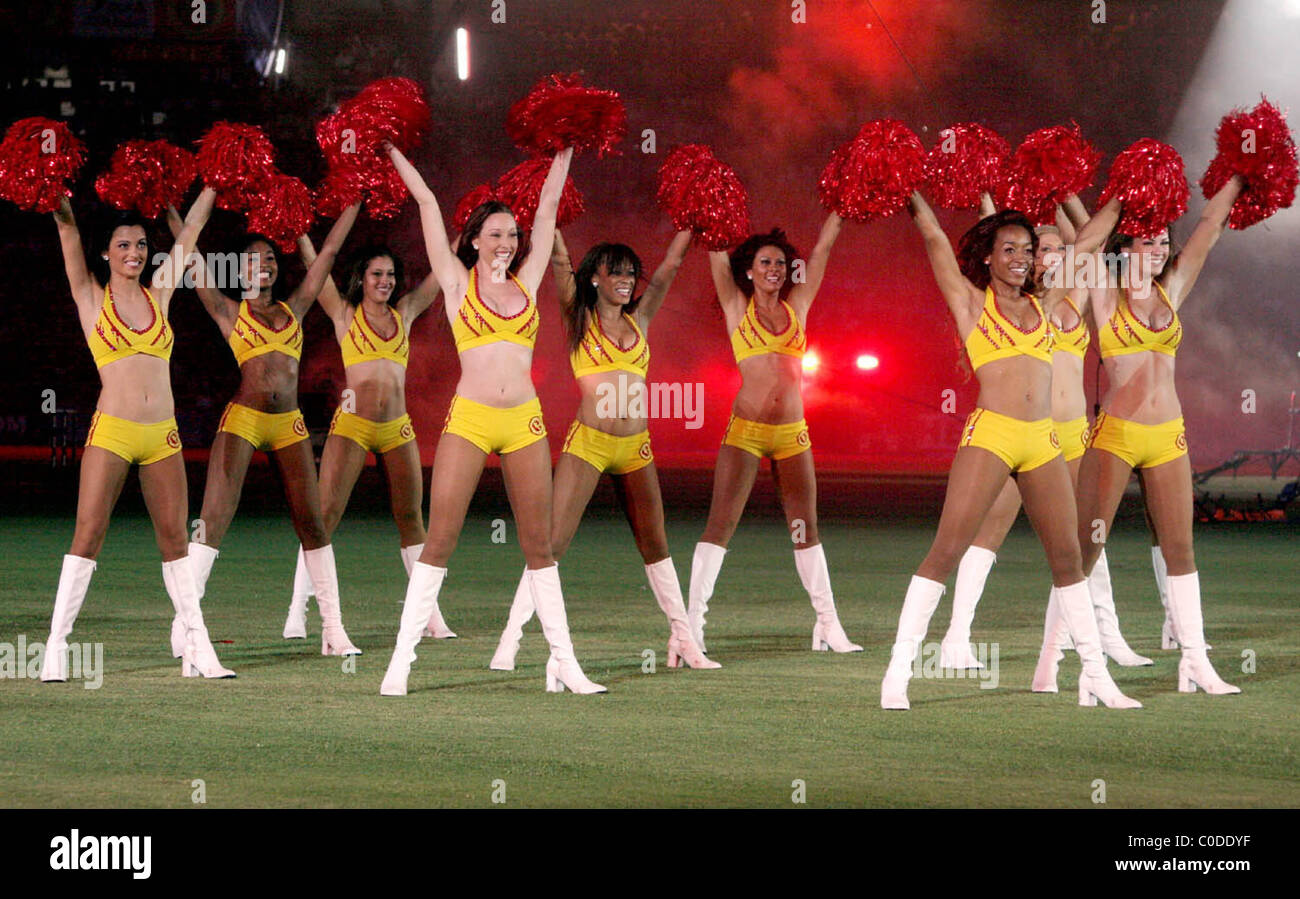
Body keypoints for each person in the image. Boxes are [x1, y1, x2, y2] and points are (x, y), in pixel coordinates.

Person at [880, 193, 1141, 710]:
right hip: (992, 436)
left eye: (1027, 249)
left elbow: (1089, 243)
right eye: (1009, 249)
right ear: (987, 257)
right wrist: (907, 190)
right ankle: (898, 672)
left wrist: (1126, 192)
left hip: (1042, 440)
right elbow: (934, 238)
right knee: (947, 550)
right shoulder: (972, 303)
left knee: (1069, 559)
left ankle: (1095, 675)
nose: (1022, 257)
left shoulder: (1047, 303)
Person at [380, 144, 606, 696]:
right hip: (471, 420)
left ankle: (564, 662)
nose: (507, 242)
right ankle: (401, 663)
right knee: (440, 540)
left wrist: (566, 149)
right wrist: (391, 149)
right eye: (496, 234)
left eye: (513, 235)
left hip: (525, 421)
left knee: (540, 546)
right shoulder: (457, 285)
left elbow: (549, 207)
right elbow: (428, 203)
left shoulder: (527, 282)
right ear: (475, 240)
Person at [488, 228, 719, 670]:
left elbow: (669, 270)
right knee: (551, 543)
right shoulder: (580, 318)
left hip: (636, 447)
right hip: (589, 445)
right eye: (616, 273)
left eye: (631, 273)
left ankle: (684, 641)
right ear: (594, 278)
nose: (627, 280)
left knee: (656, 542)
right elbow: (559, 263)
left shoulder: (640, 319)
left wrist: (692, 222)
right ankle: (510, 641)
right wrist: (552, 217)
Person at [1059, 175, 1246, 695]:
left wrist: (1238, 176)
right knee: (1086, 548)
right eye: (1151, 239)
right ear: (1130, 242)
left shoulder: (1174, 287)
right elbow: (1085, 242)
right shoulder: (1103, 283)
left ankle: (1194, 661)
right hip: (1116, 434)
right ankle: (1076, 665)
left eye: (1166, 239)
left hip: (1169, 436)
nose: (1162, 247)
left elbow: (1209, 229)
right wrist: (1120, 194)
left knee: (1180, 549)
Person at [40, 186, 236, 680]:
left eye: (142, 245)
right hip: (112, 432)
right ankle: (56, 647)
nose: (134, 253)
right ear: (106, 251)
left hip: (162, 436)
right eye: (124, 245)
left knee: (175, 539)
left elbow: (190, 233)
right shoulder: (89, 295)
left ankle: (198, 646)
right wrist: (54, 185)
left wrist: (213, 181)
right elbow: (67, 227)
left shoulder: (161, 292)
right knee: (88, 533)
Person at [167, 202, 362, 657]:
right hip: (244, 420)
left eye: (271, 257)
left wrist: (354, 196)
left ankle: (333, 630)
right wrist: (170, 208)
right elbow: (191, 256)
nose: (266, 264)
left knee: (313, 524)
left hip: (289, 424)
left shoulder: (295, 308)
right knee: (214, 518)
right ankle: (185, 626)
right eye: (254, 258)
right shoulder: (229, 311)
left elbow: (329, 252)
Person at [685, 216, 863, 659]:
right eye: (766, 262)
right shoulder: (735, 304)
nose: (774, 270)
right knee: (720, 525)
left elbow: (821, 253)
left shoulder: (797, 306)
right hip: (745, 433)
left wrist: (839, 212)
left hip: (793, 437)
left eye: (781, 264)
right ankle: (690, 629)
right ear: (749, 269)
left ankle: (828, 625)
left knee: (805, 529)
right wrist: (707, 208)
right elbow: (715, 250)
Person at [281, 242, 448, 640]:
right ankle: (298, 610)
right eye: (377, 274)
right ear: (361, 279)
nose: (385, 282)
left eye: (390, 275)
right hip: (353, 426)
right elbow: (318, 261)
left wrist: (462, 232)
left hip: (397, 428)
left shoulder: (404, 313)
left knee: (411, 519)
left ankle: (429, 615)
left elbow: (440, 274)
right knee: (323, 518)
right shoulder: (344, 312)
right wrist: (300, 227)